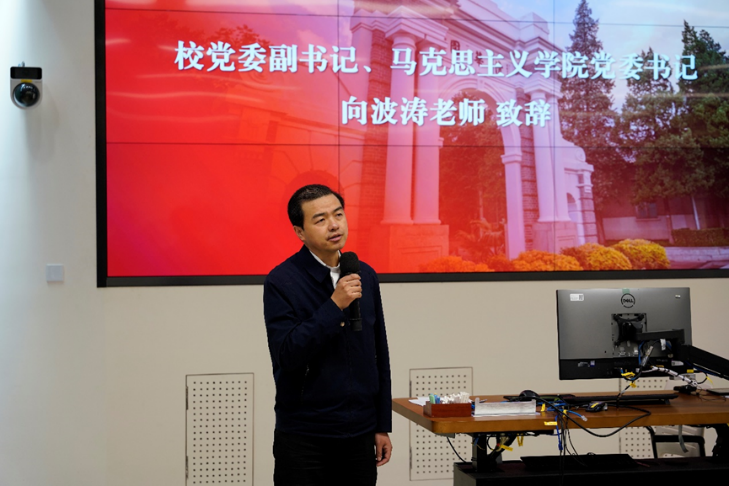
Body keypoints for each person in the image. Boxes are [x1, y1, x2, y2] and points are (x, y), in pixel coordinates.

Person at [263, 184, 393, 486]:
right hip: (305, 436)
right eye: (320, 220)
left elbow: (379, 353)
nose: (334, 225)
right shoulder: (282, 281)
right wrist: (334, 306)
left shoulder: (364, 275)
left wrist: (381, 424)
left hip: (360, 433)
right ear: (300, 231)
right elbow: (287, 355)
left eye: (338, 215)